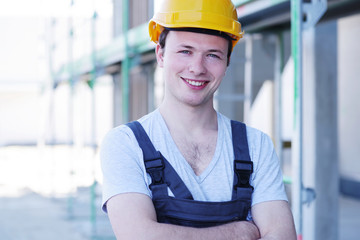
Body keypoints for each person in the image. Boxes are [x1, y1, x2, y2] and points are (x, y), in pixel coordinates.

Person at [100, 0, 297, 239]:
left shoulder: (257, 146)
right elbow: (138, 235)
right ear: (160, 54)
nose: (197, 68)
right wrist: (239, 232)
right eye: (185, 51)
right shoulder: (125, 143)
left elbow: (281, 235)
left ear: (227, 63)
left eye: (212, 55)